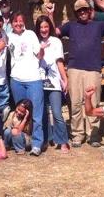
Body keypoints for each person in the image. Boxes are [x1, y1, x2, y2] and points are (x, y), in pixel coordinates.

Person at [53, 0, 104, 147]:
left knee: (94, 102)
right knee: (75, 103)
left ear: (89, 10)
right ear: (76, 13)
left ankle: (93, 134)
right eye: (79, 11)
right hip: (74, 69)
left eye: (85, 9)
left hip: (93, 69)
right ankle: (77, 134)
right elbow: (54, 32)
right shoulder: (70, 26)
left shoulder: (98, 25)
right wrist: (50, 14)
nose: (82, 12)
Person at [7, 12, 44, 156]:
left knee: (37, 113)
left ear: (24, 22)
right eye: (15, 22)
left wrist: (42, 49)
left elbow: (39, 55)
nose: (18, 24)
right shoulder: (8, 36)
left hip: (33, 79)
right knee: (20, 114)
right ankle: (21, 142)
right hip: (16, 79)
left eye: (20, 21)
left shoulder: (30, 35)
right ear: (11, 23)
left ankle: (37, 144)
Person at [35, 15, 70, 153]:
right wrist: (41, 49)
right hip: (38, 81)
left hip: (54, 81)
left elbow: (59, 61)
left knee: (56, 112)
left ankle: (63, 141)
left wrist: (64, 78)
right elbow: (37, 58)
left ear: (49, 27)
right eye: (41, 27)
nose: (44, 29)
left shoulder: (56, 41)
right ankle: (46, 138)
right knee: (42, 112)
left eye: (46, 26)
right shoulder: (35, 41)